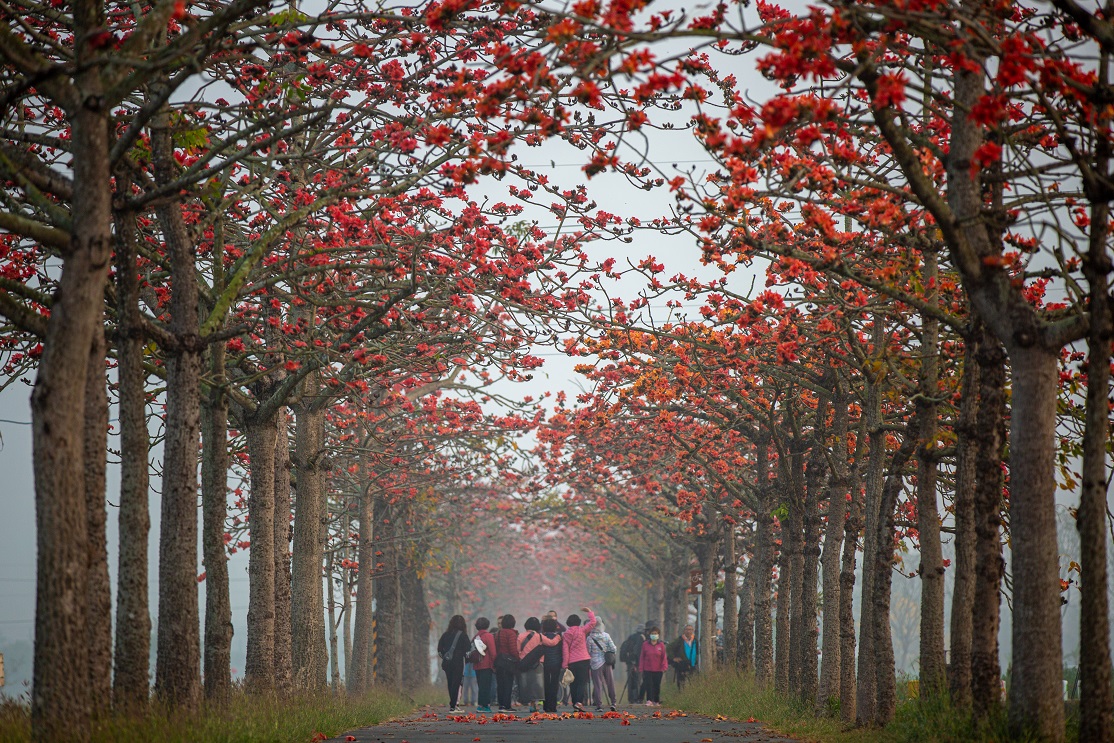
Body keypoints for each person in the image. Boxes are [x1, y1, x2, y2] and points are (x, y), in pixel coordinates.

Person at [560, 607, 597, 712]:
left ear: (568, 623)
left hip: (572, 662)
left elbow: (565, 650)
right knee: (582, 682)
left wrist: (565, 664)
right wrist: (589, 612)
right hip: (584, 660)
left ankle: (575, 703)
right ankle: (579, 703)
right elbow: (593, 622)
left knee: (573, 683)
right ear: (579, 622)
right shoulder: (582, 630)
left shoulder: (566, 634)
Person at [437, 614, 470, 712]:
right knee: (457, 683)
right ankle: (453, 705)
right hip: (458, 662)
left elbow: (439, 649)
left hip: (447, 663)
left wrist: (446, 657)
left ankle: (452, 704)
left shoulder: (445, 635)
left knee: (450, 682)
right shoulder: (463, 635)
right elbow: (468, 650)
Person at [588, 619, 618, 711]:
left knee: (597, 685)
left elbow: (588, 652)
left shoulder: (589, 638)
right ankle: (613, 703)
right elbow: (613, 648)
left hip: (595, 664)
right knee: (610, 683)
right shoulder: (606, 635)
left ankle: (599, 705)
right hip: (607, 663)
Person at [493, 613, 521, 711]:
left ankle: (501, 705)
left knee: (500, 684)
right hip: (508, 663)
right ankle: (507, 705)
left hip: (499, 661)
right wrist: (518, 658)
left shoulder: (498, 633)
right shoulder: (511, 633)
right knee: (508, 684)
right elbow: (513, 649)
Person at [516, 616, 544, 711]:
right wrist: (557, 638)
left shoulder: (520, 636)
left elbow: (517, 650)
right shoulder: (540, 636)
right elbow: (551, 643)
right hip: (537, 664)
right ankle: (534, 703)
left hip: (523, 664)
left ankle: (527, 701)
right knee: (536, 684)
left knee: (525, 683)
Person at [471, 617, 496, 713]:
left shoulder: (475, 636)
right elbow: (493, 652)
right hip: (486, 664)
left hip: (477, 665)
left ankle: (480, 705)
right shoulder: (488, 636)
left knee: (481, 685)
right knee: (486, 686)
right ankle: (485, 706)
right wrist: (494, 664)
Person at [538, 616, 564, 712]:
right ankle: (553, 706)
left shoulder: (541, 637)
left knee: (545, 684)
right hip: (556, 663)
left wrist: (542, 622)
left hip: (545, 663)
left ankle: (546, 706)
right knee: (554, 684)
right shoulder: (559, 637)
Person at [639, 626, 668, 706]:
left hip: (658, 669)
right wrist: (641, 667)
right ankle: (649, 700)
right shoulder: (645, 644)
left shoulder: (661, 645)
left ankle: (656, 700)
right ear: (649, 634)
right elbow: (642, 656)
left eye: (655, 633)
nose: (654, 635)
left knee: (657, 685)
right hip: (647, 668)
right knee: (648, 684)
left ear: (658, 635)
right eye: (652, 633)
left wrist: (664, 666)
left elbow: (664, 657)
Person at [619, 623, 646, 703]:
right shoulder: (642, 638)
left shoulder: (631, 637)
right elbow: (638, 651)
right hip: (638, 662)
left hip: (629, 662)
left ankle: (631, 699)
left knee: (631, 680)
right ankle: (637, 698)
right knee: (637, 680)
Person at [668, 624, 699, 690]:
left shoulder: (695, 640)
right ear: (684, 631)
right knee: (681, 681)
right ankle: (681, 694)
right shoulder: (679, 640)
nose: (688, 631)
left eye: (690, 629)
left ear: (693, 631)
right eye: (687, 629)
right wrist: (673, 658)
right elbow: (669, 648)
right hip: (682, 664)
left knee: (693, 680)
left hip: (693, 664)